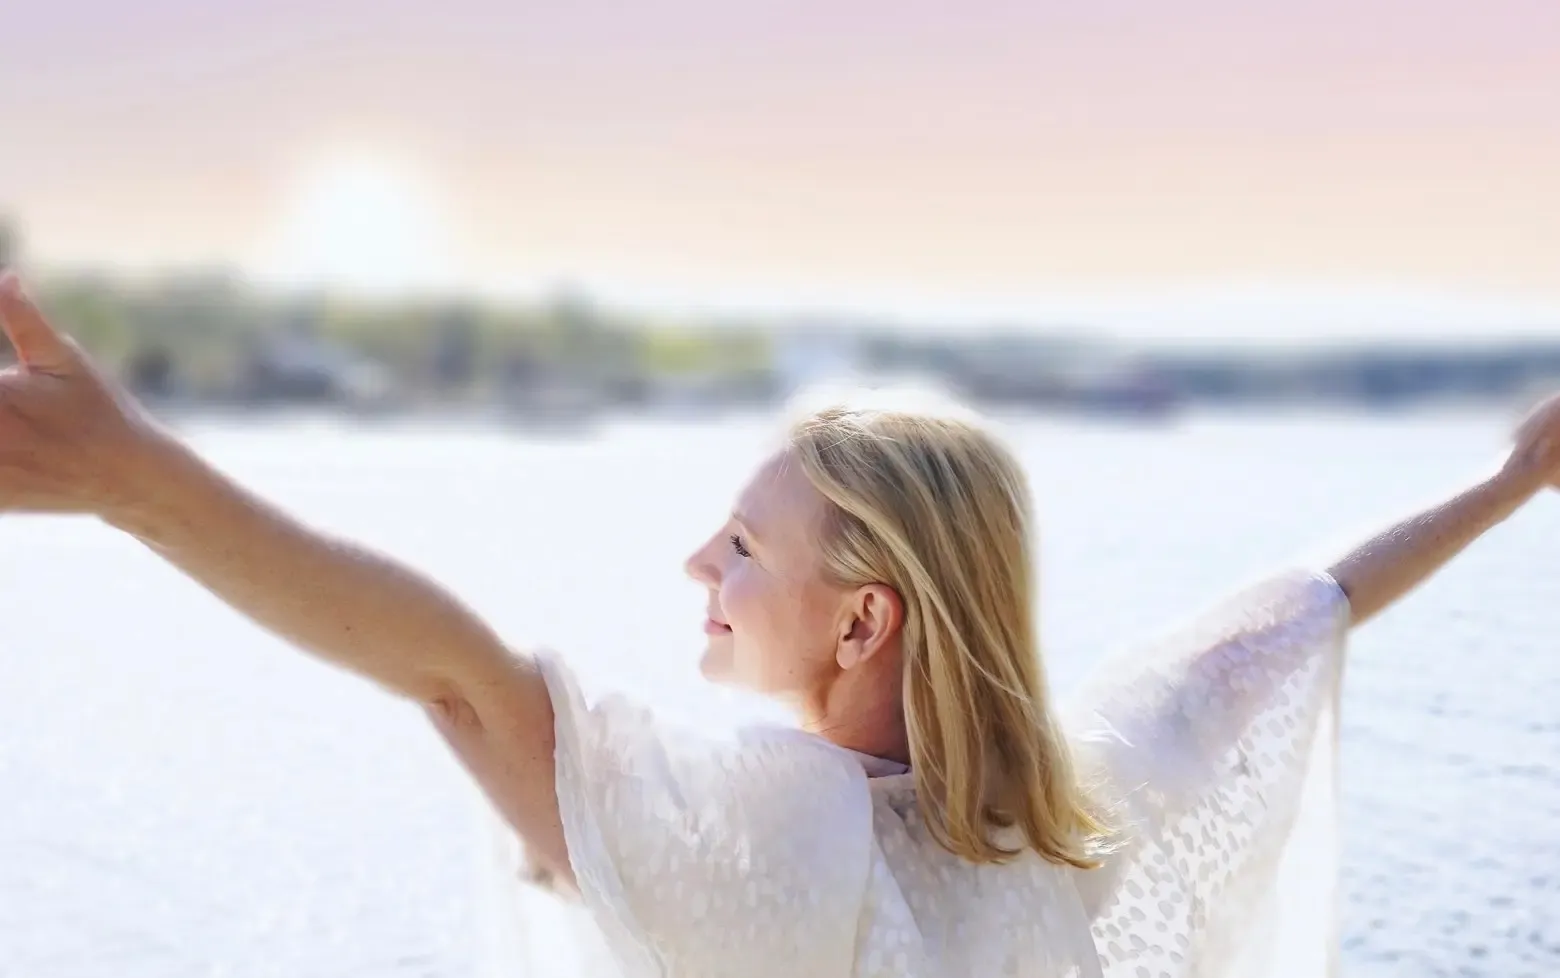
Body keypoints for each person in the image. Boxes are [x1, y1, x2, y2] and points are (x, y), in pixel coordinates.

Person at [1, 269, 1556, 978]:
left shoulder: (786, 855)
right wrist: (1511, 481)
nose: (697, 563)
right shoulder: (1079, 808)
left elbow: (454, 676)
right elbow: (1312, 604)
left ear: (865, 617)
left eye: (742, 543)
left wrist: (141, 485)